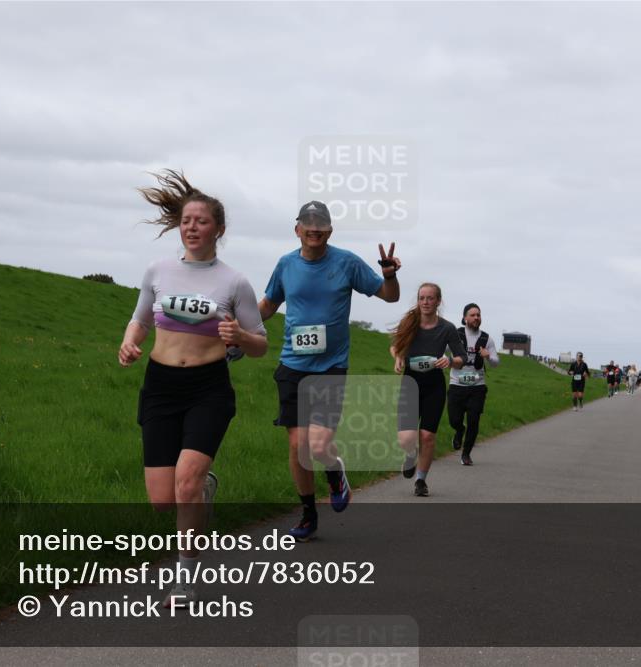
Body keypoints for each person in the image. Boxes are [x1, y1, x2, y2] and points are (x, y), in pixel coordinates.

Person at [119, 170, 268, 607]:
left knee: (184, 484)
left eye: (201, 221)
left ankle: (183, 579)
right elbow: (141, 319)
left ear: (218, 229)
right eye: (187, 220)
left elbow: (260, 344)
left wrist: (239, 337)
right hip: (161, 385)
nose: (192, 227)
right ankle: (203, 488)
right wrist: (129, 343)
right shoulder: (158, 271)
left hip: (208, 388)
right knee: (163, 501)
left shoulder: (234, 281)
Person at [259, 201, 400, 541]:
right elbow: (268, 305)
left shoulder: (347, 263)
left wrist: (390, 275)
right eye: (307, 222)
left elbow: (389, 297)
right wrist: (236, 324)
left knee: (319, 446)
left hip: (331, 367)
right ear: (297, 230)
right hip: (292, 365)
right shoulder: (285, 265)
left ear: (330, 230)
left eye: (320, 222)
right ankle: (308, 514)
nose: (314, 228)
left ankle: (335, 472)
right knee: (298, 447)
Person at [390, 283, 466, 496]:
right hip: (410, 382)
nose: (425, 302)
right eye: (422, 298)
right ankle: (410, 453)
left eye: (430, 298)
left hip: (434, 385)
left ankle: (421, 481)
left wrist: (450, 361)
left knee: (427, 436)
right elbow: (395, 346)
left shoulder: (447, 328)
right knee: (406, 439)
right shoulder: (410, 322)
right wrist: (397, 358)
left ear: (438, 301)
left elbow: (462, 358)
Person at [447, 303, 499, 466]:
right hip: (457, 384)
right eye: (473, 315)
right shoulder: (455, 334)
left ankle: (466, 454)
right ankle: (459, 430)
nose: (477, 317)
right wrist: (446, 359)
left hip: (477, 386)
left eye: (479, 315)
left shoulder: (486, 338)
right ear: (464, 318)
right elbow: (440, 350)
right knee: (454, 419)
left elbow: (496, 362)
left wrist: (488, 356)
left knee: (474, 420)